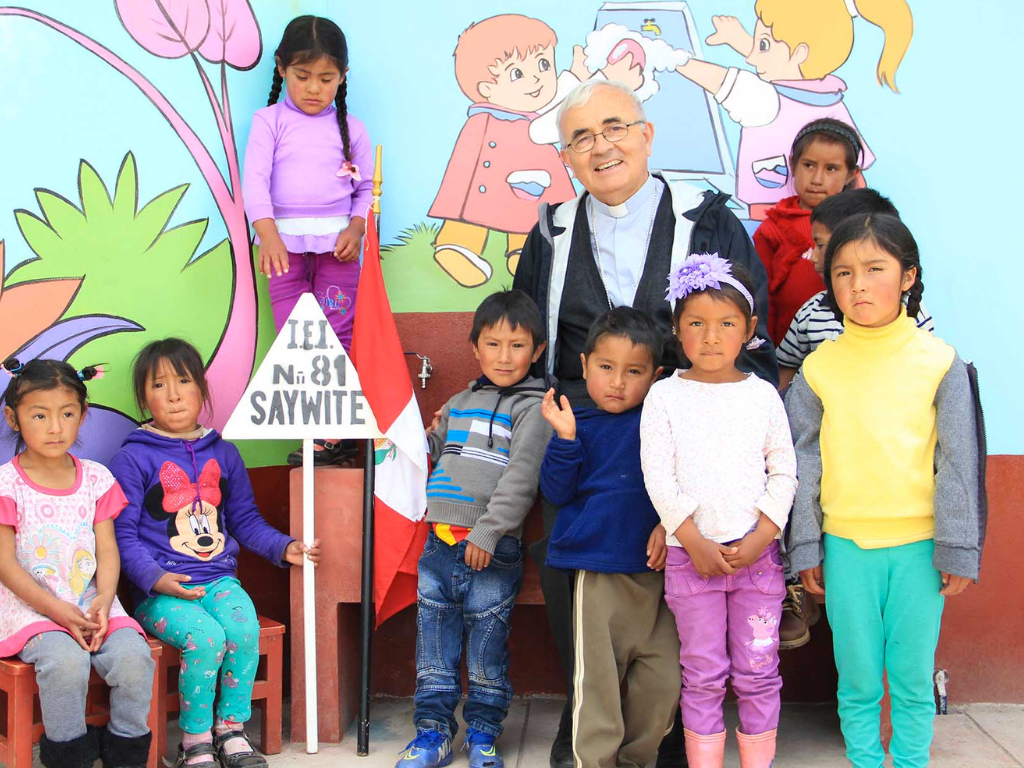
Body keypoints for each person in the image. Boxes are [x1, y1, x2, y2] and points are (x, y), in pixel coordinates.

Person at [513, 78, 775, 768]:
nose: (601, 147)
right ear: (566, 157)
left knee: (679, 585)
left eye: (614, 128)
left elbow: (749, 336)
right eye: (581, 137)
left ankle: (670, 730)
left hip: (692, 433)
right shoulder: (551, 233)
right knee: (579, 579)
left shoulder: (707, 221)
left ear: (647, 134)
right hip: (584, 442)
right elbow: (526, 337)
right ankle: (586, 723)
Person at [786, 214, 983, 768]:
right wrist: (807, 546)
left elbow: (958, 461)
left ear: (908, 277)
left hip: (920, 550)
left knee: (913, 677)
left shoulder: (939, 362)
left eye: (875, 269)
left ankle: (912, 760)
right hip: (846, 548)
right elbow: (804, 462)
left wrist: (958, 548)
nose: (858, 285)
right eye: (843, 273)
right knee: (857, 678)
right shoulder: (818, 369)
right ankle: (865, 760)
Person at [109, 339, 321, 768]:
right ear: (143, 399)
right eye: (159, 385)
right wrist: (155, 579)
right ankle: (194, 740)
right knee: (205, 639)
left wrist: (284, 547)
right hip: (161, 593)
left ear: (202, 389)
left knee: (242, 631)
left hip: (220, 582)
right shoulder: (132, 459)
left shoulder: (224, 454)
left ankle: (230, 730)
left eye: (183, 381)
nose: (173, 395)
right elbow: (122, 535)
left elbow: (245, 520)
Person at [640, 255, 797, 768]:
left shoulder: (763, 397)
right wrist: (694, 542)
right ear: (676, 328)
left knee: (758, 672)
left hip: (758, 563)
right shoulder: (664, 397)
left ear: (749, 330)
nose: (711, 338)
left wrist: (761, 538)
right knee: (703, 675)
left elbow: (784, 472)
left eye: (727, 324)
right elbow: (658, 477)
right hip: (692, 563)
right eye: (697, 324)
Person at [397, 291, 552, 768]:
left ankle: (483, 734)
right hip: (438, 544)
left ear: (538, 350)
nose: (504, 356)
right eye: (493, 344)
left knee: (486, 648)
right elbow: (432, 451)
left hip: (491, 548)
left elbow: (521, 479)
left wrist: (488, 532)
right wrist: (412, 436)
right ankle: (432, 733)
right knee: (434, 647)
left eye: (517, 345)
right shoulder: (459, 401)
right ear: (475, 348)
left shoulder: (534, 410)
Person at [540, 307, 680, 768]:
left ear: (656, 377)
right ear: (584, 366)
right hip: (598, 575)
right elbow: (556, 491)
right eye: (606, 367)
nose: (617, 382)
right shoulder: (578, 424)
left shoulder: (663, 424)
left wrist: (669, 523)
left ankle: (635, 760)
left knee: (663, 682)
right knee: (596, 686)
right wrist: (564, 440)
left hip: (661, 578)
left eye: (634, 371)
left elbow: (686, 484)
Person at [0, 358, 155, 768]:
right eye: (40, 415)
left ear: (83, 415)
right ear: (13, 418)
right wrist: (55, 610)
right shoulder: (6, 483)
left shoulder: (96, 478)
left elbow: (107, 550)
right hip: (32, 609)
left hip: (92, 603)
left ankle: (126, 753)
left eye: (67, 414)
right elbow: (5, 565)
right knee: (66, 664)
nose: (55, 427)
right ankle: (69, 756)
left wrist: (104, 599)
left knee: (134, 660)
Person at [243, 15, 372, 465]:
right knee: (295, 337)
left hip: (339, 250)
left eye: (326, 78)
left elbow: (365, 190)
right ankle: (310, 431)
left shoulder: (353, 129)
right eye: (302, 76)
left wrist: (356, 228)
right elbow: (254, 182)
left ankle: (333, 437)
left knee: (337, 334)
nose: (314, 88)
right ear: (281, 69)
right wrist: (268, 235)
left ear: (343, 76)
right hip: (282, 250)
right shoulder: (268, 121)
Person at [674, 0, 912, 217]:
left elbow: (724, 81)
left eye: (762, 45)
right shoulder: (829, 97)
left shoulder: (766, 99)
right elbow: (783, 60)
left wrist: (673, 59)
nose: (751, 58)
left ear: (800, 53)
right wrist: (742, 41)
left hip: (772, 215)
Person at [775, 188, 934, 390]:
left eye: (821, 245)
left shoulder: (915, 316)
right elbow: (786, 369)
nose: (813, 257)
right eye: (845, 272)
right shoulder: (812, 313)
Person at [753, 118, 863, 346]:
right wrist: (764, 353)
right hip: (788, 351)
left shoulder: (862, 225)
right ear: (793, 164)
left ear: (851, 175)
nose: (817, 179)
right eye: (809, 165)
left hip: (851, 348)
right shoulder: (773, 228)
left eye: (831, 169)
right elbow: (762, 299)